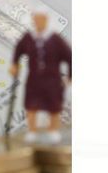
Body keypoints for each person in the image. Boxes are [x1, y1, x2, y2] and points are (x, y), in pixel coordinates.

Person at [10, 7, 71, 143]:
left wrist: (70, 77)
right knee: (31, 105)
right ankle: (32, 131)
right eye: (35, 19)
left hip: (52, 80)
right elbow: (18, 50)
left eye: (41, 19)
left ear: (46, 20)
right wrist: (14, 64)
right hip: (34, 79)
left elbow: (69, 57)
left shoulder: (55, 39)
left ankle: (53, 130)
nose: (38, 22)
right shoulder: (28, 37)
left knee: (54, 106)